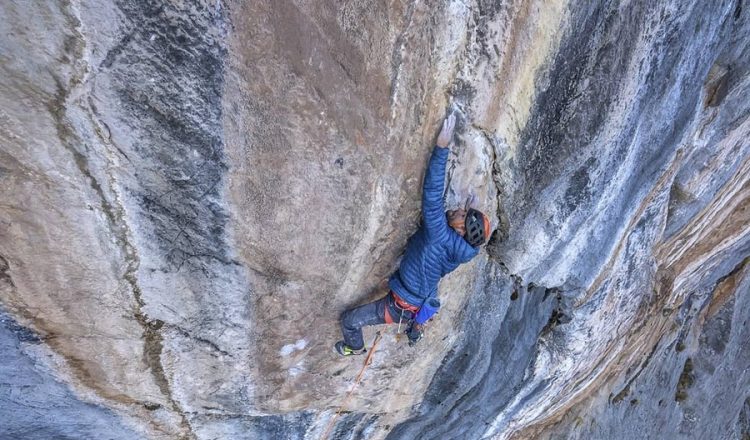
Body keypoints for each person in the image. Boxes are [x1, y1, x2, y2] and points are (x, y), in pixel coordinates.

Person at [335, 113, 492, 356]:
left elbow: (432, 193)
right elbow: (473, 238)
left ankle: (353, 348)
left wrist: (441, 148)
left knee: (349, 320)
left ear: (460, 230)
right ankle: (414, 330)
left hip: (398, 306)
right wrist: (472, 207)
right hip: (419, 298)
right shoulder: (466, 252)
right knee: (415, 316)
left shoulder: (438, 234)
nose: (457, 209)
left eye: (462, 213)